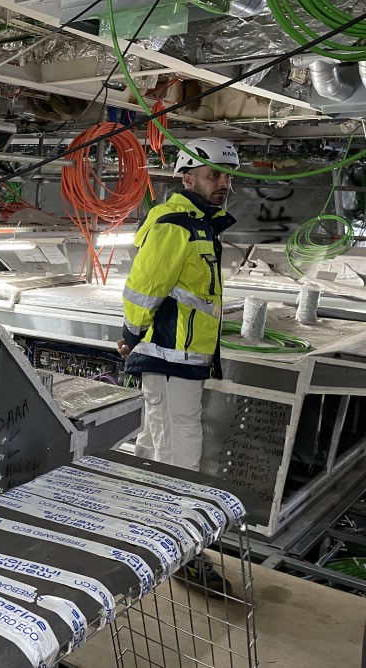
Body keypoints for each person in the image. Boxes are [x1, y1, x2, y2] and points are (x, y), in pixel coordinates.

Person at [117, 137, 239, 595]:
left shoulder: (202, 225)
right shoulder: (177, 224)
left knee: (159, 435)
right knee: (179, 440)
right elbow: (145, 286)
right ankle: (176, 540)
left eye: (227, 176)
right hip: (170, 354)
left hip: (186, 355)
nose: (223, 184)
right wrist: (131, 336)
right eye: (214, 175)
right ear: (187, 178)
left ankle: (147, 522)